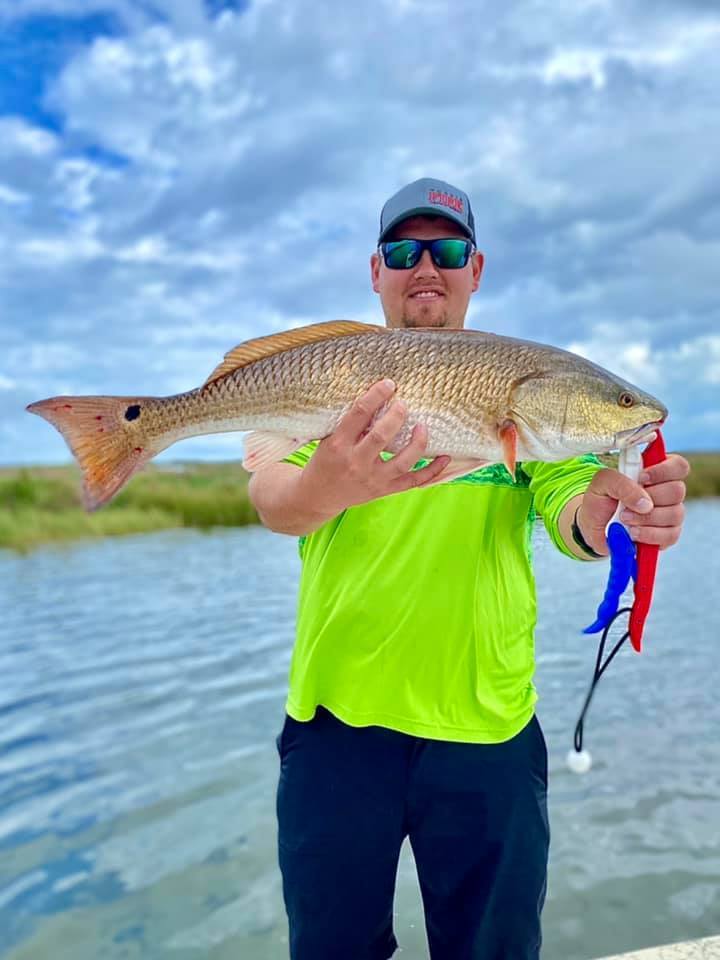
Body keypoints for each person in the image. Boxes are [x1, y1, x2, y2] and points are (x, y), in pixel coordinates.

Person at [248, 178, 689, 960]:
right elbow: (275, 504)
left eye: (448, 249)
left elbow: (575, 515)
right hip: (334, 730)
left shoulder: (530, 401)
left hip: (489, 731)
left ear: (475, 269)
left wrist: (614, 516)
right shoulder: (328, 379)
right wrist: (333, 483)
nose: (426, 267)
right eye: (403, 251)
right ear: (376, 271)